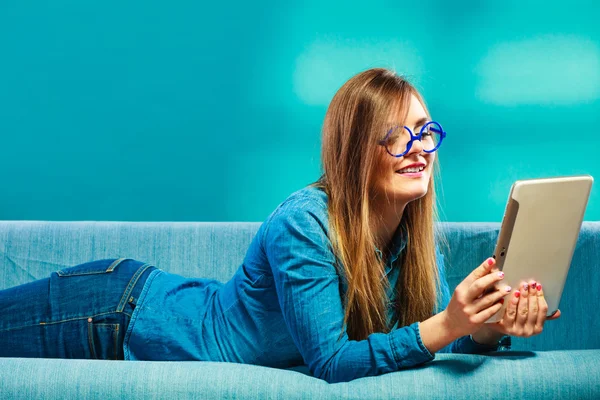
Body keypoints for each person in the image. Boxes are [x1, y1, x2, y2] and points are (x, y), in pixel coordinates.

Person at [0, 68, 560, 383]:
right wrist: (449, 323)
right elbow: (333, 362)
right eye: (395, 136)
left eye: (424, 131)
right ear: (354, 151)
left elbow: (426, 334)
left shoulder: (414, 238)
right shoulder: (305, 224)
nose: (419, 150)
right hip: (115, 312)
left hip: (133, 305)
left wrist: (489, 324)